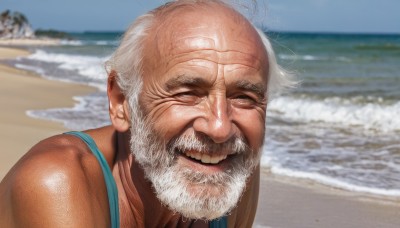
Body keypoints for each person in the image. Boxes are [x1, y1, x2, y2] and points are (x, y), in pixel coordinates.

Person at [0, 0, 293, 227]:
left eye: (244, 97)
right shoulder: (57, 182)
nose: (220, 128)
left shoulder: (227, 168)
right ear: (121, 101)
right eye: (187, 93)